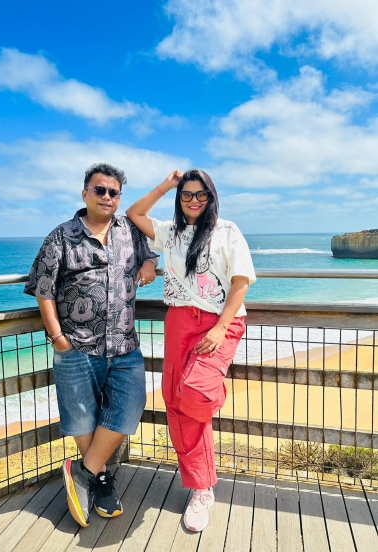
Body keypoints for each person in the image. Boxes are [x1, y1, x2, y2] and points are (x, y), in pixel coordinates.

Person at [24, 162, 158, 528]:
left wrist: (149, 262)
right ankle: (99, 481)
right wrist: (57, 338)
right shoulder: (61, 236)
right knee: (82, 416)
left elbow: (153, 250)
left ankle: (82, 471)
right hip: (76, 346)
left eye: (113, 192)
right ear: (85, 193)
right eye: (100, 190)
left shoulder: (130, 231)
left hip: (124, 344)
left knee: (130, 407)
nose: (107, 197)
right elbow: (43, 288)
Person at [126, 169, 256, 532]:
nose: (194, 201)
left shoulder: (227, 230)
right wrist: (165, 185)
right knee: (175, 399)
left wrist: (219, 327)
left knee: (196, 394)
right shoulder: (171, 232)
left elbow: (241, 282)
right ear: (179, 198)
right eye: (186, 195)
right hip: (179, 322)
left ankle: (210, 394)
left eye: (201, 195)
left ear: (211, 197)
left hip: (220, 322)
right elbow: (134, 215)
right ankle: (202, 488)